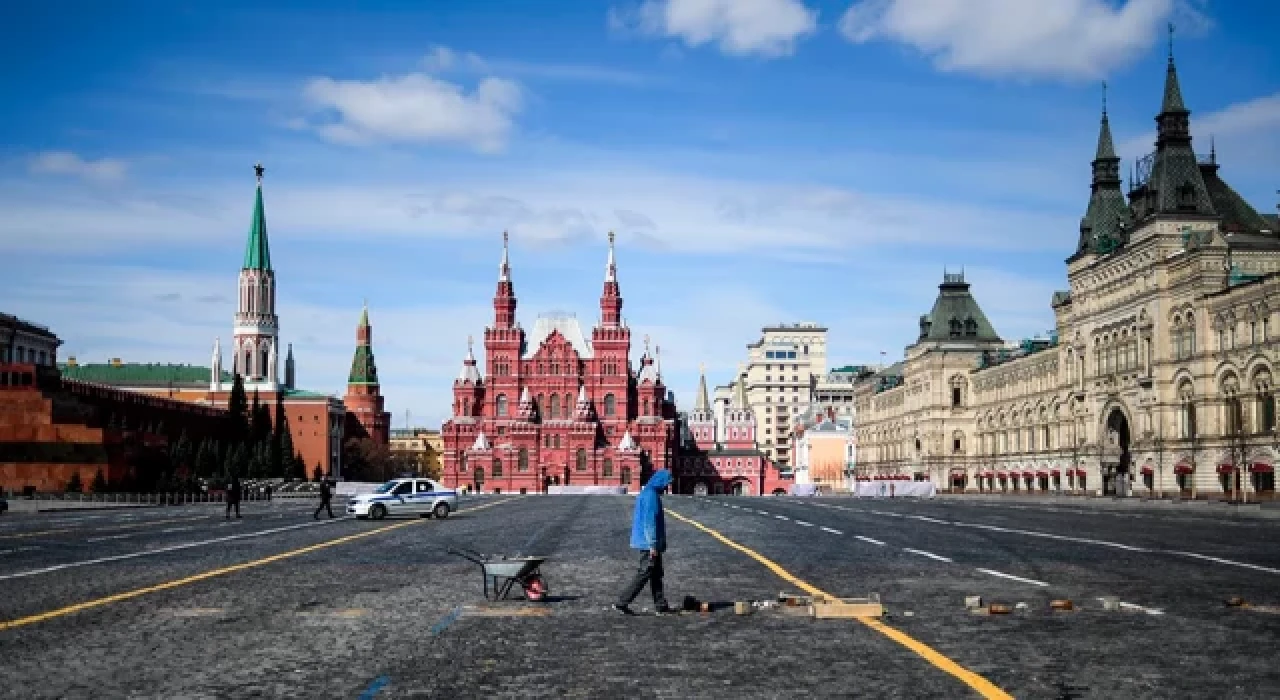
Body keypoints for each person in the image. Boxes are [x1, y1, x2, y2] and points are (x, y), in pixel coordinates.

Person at [613, 469, 674, 615]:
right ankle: (622, 602)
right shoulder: (651, 496)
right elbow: (649, 522)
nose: (667, 487)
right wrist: (653, 544)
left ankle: (661, 606)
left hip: (648, 542)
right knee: (645, 572)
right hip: (648, 543)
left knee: (656, 573)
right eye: (666, 484)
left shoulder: (647, 493)